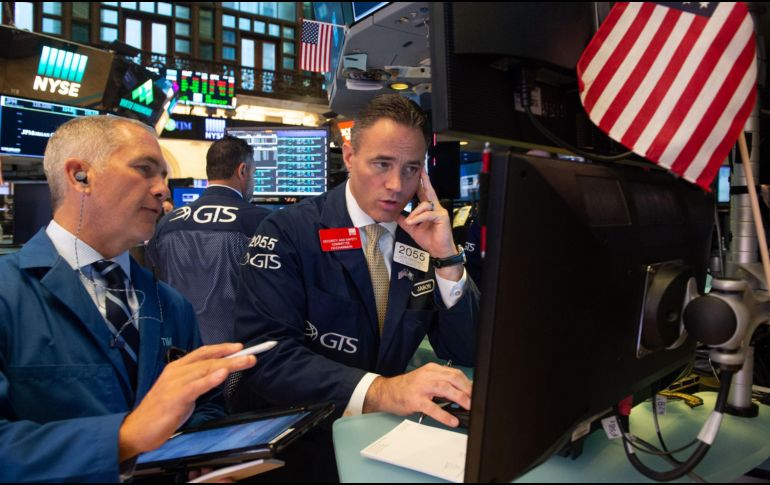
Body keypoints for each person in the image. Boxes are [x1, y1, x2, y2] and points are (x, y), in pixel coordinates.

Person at [0, 116, 256, 482]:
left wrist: (206, 458)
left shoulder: (172, 305)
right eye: (145, 170)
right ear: (79, 176)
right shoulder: (8, 295)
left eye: (164, 176)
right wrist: (124, 437)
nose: (163, 190)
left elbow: (205, 406)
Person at [230, 94, 478, 470]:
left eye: (412, 169)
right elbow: (267, 357)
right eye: (382, 164)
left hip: (386, 441)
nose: (396, 185)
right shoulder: (288, 232)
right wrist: (380, 390)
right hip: (296, 442)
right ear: (349, 157)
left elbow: (467, 350)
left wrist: (447, 260)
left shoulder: (424, 239)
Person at [147, 135, 270, 344]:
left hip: (181, 354)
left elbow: (153, 283)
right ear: (242, 171)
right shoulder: (262, 222)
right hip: (239, 357)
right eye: (254, 174)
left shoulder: (167, 224)